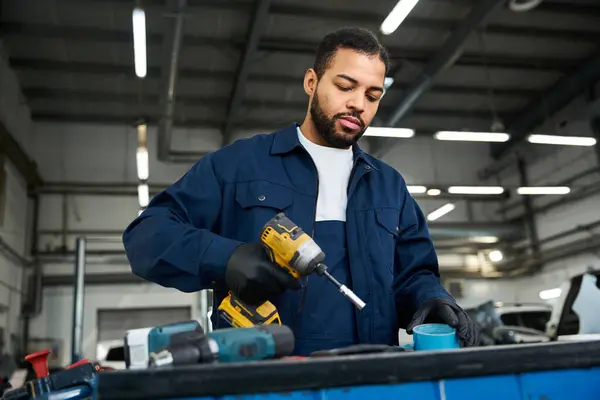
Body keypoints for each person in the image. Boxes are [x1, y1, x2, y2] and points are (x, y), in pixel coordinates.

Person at [123, 27, 478, 356]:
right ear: (312, 81)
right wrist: (225, 258)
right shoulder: (239, 166)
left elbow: (413, 274)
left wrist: (432, 300)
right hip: (267, 382)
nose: (359, 104)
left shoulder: (389, 187)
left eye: (373, 95)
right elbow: (147, 235)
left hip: (371, 379)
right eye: (345, 86)